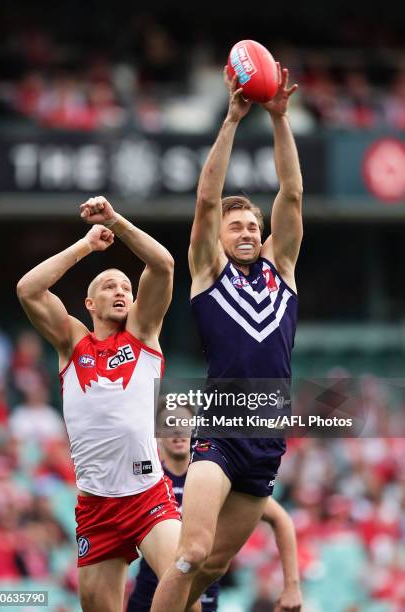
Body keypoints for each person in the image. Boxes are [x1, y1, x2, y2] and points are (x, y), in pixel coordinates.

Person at [151, 65, 303, 612]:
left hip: (268, 437)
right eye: (234, 226)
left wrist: (280, 120)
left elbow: (292, 192)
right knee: (191, 552)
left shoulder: (280, 270)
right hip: (221, 428)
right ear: (218, 237)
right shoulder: (208, 274)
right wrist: (233, 120)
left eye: (251, 226)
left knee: (215, 566)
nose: (244, 231)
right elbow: (206, 200)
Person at [16, 196, 197, 612]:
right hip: (95, 504)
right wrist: (85, 246)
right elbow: (28, 289)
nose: (120, 291)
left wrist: (116, 220)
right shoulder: (72, 342)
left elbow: (164, 265)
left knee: (181, 589)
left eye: (126, 288)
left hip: (147, 495)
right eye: (109, 286)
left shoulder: (143, 334)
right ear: (89, 304)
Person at [127, 425, 302, 611]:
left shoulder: (220, 479)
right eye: (170, 426)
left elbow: (281, 519)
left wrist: (292, 586)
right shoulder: (151, 482)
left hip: (204, 597)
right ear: (158, 436)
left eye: (185, 426)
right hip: (149, 598)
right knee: (191, 556)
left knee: (205, 562)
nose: (178, 434)